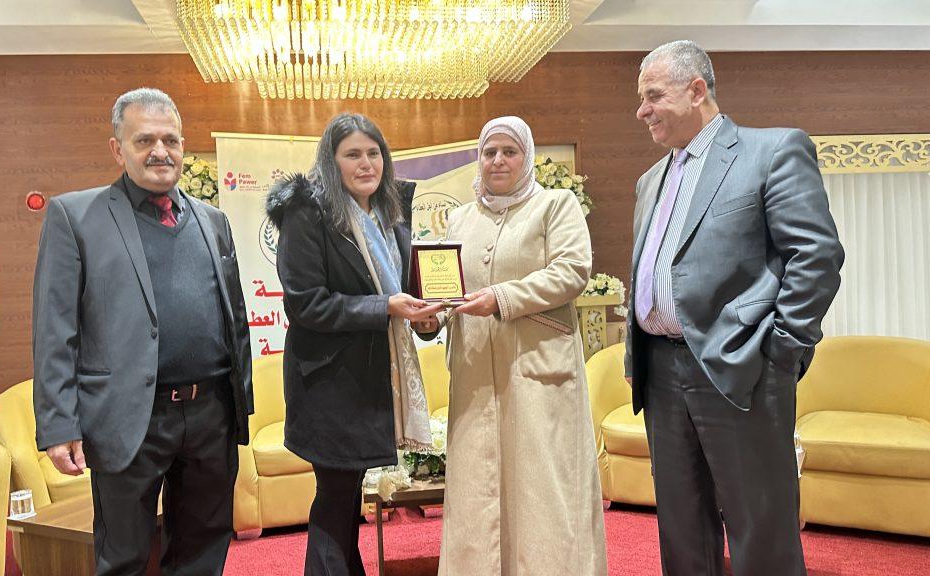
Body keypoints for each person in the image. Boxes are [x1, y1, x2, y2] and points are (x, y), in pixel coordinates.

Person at [626, 40, 845, 576]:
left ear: (696, 89)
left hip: (743, 367)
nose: (642, 110)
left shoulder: (772, 151)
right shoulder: (650, 180)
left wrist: (781, 351)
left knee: (760, 529)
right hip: (660, 373)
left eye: (653, 96)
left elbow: (816, 256)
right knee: (682, 531)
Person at [32, 87, 253, 576]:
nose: (160, 151)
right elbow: (55, 331)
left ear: (183, 146)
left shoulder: (213, 220)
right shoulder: (76, 217)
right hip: (127, 416)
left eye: (170, 140)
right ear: (118, 149)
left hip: (211, 414)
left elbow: (234, 316)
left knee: (203, 553)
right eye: (145, 140)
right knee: (124, 559)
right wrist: (59, 424)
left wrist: (240, 405)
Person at [413, 116, 608, 576]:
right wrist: (430, 318)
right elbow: (451, 292)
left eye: (509, 151)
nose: (497, 161)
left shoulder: (555, 206)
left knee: (542, 487)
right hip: (475, 376)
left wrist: (501, 298)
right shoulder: (460, 218)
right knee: (477, 486)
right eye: (489, 152)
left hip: (538, 374)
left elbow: (571, 271)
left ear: (528, 157)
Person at [265, 112, 443, 576]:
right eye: (352, 154)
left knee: (344, 500)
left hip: (371, 381)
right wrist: (385, 307)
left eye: (373, 153)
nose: (366, 163)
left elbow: (405, 289)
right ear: (332, 161)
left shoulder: (390, 213)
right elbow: (306, 304)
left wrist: (426, 319)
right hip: (328, 382)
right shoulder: (307, 213)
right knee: (335, 498)